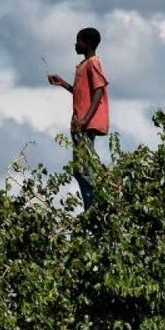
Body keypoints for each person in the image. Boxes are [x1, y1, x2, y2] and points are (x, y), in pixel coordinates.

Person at [47, 27, 109, 208]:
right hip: (79, 124)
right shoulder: (83, 66)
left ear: (87, 43)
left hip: (85, 124)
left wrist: (85, 120)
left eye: (78, 41)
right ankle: (91, 205)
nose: (75, 44)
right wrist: (63, 84)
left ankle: (94, 207)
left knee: (84, 168)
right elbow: (82, 94)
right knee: (79, 170)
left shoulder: (93, 63)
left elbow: (98, 91)